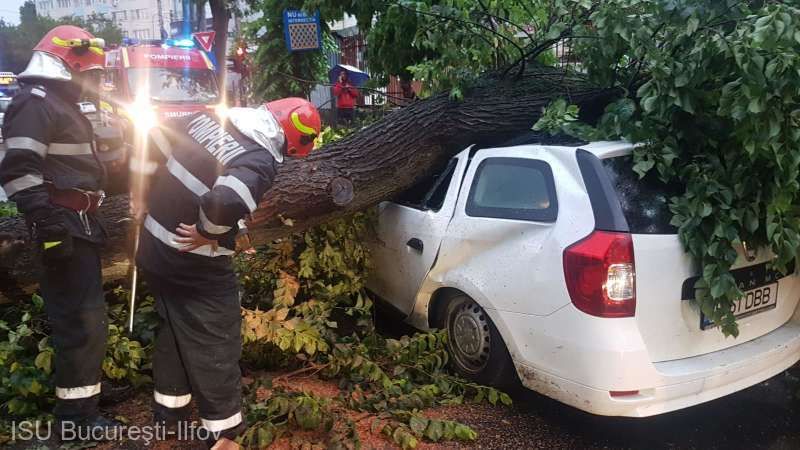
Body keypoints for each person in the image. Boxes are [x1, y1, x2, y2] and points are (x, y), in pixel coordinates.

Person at [130, 98, 321, 448]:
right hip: (191, 261)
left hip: (153, 247)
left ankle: (169, 413)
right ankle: (224, 434)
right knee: (216, 338)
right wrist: (209, 231)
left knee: (173, 328)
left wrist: (140, 192)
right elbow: (224, 202)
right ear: (294, 140)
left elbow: (151, 136)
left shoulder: (210, 119)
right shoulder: (258, 160)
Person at [0, 26, 116, 438]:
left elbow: (78, 164)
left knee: (89, 317)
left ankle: (86, 396)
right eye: (91, 73)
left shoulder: (61, 104)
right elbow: (17, 170)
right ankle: (78, 422)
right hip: (60, 224)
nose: (95, 82)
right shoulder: (35, 104)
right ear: (69, 63)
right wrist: (46, 222)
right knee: (80, 321)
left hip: (81, 223)